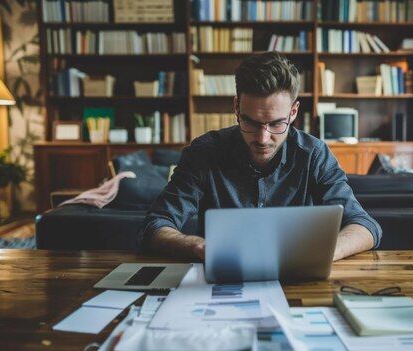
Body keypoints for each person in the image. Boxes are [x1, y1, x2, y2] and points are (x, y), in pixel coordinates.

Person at [143, 51, 381, 260]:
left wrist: (322, 252)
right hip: (219, 283)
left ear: (294, 111)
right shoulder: (204, 152)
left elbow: (365, 226)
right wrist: (197, 246)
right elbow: (155, 225)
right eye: (251, 122)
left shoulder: (314, 155)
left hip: (299, 282)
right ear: (236, 108)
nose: (262, 138)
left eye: (277, 124)